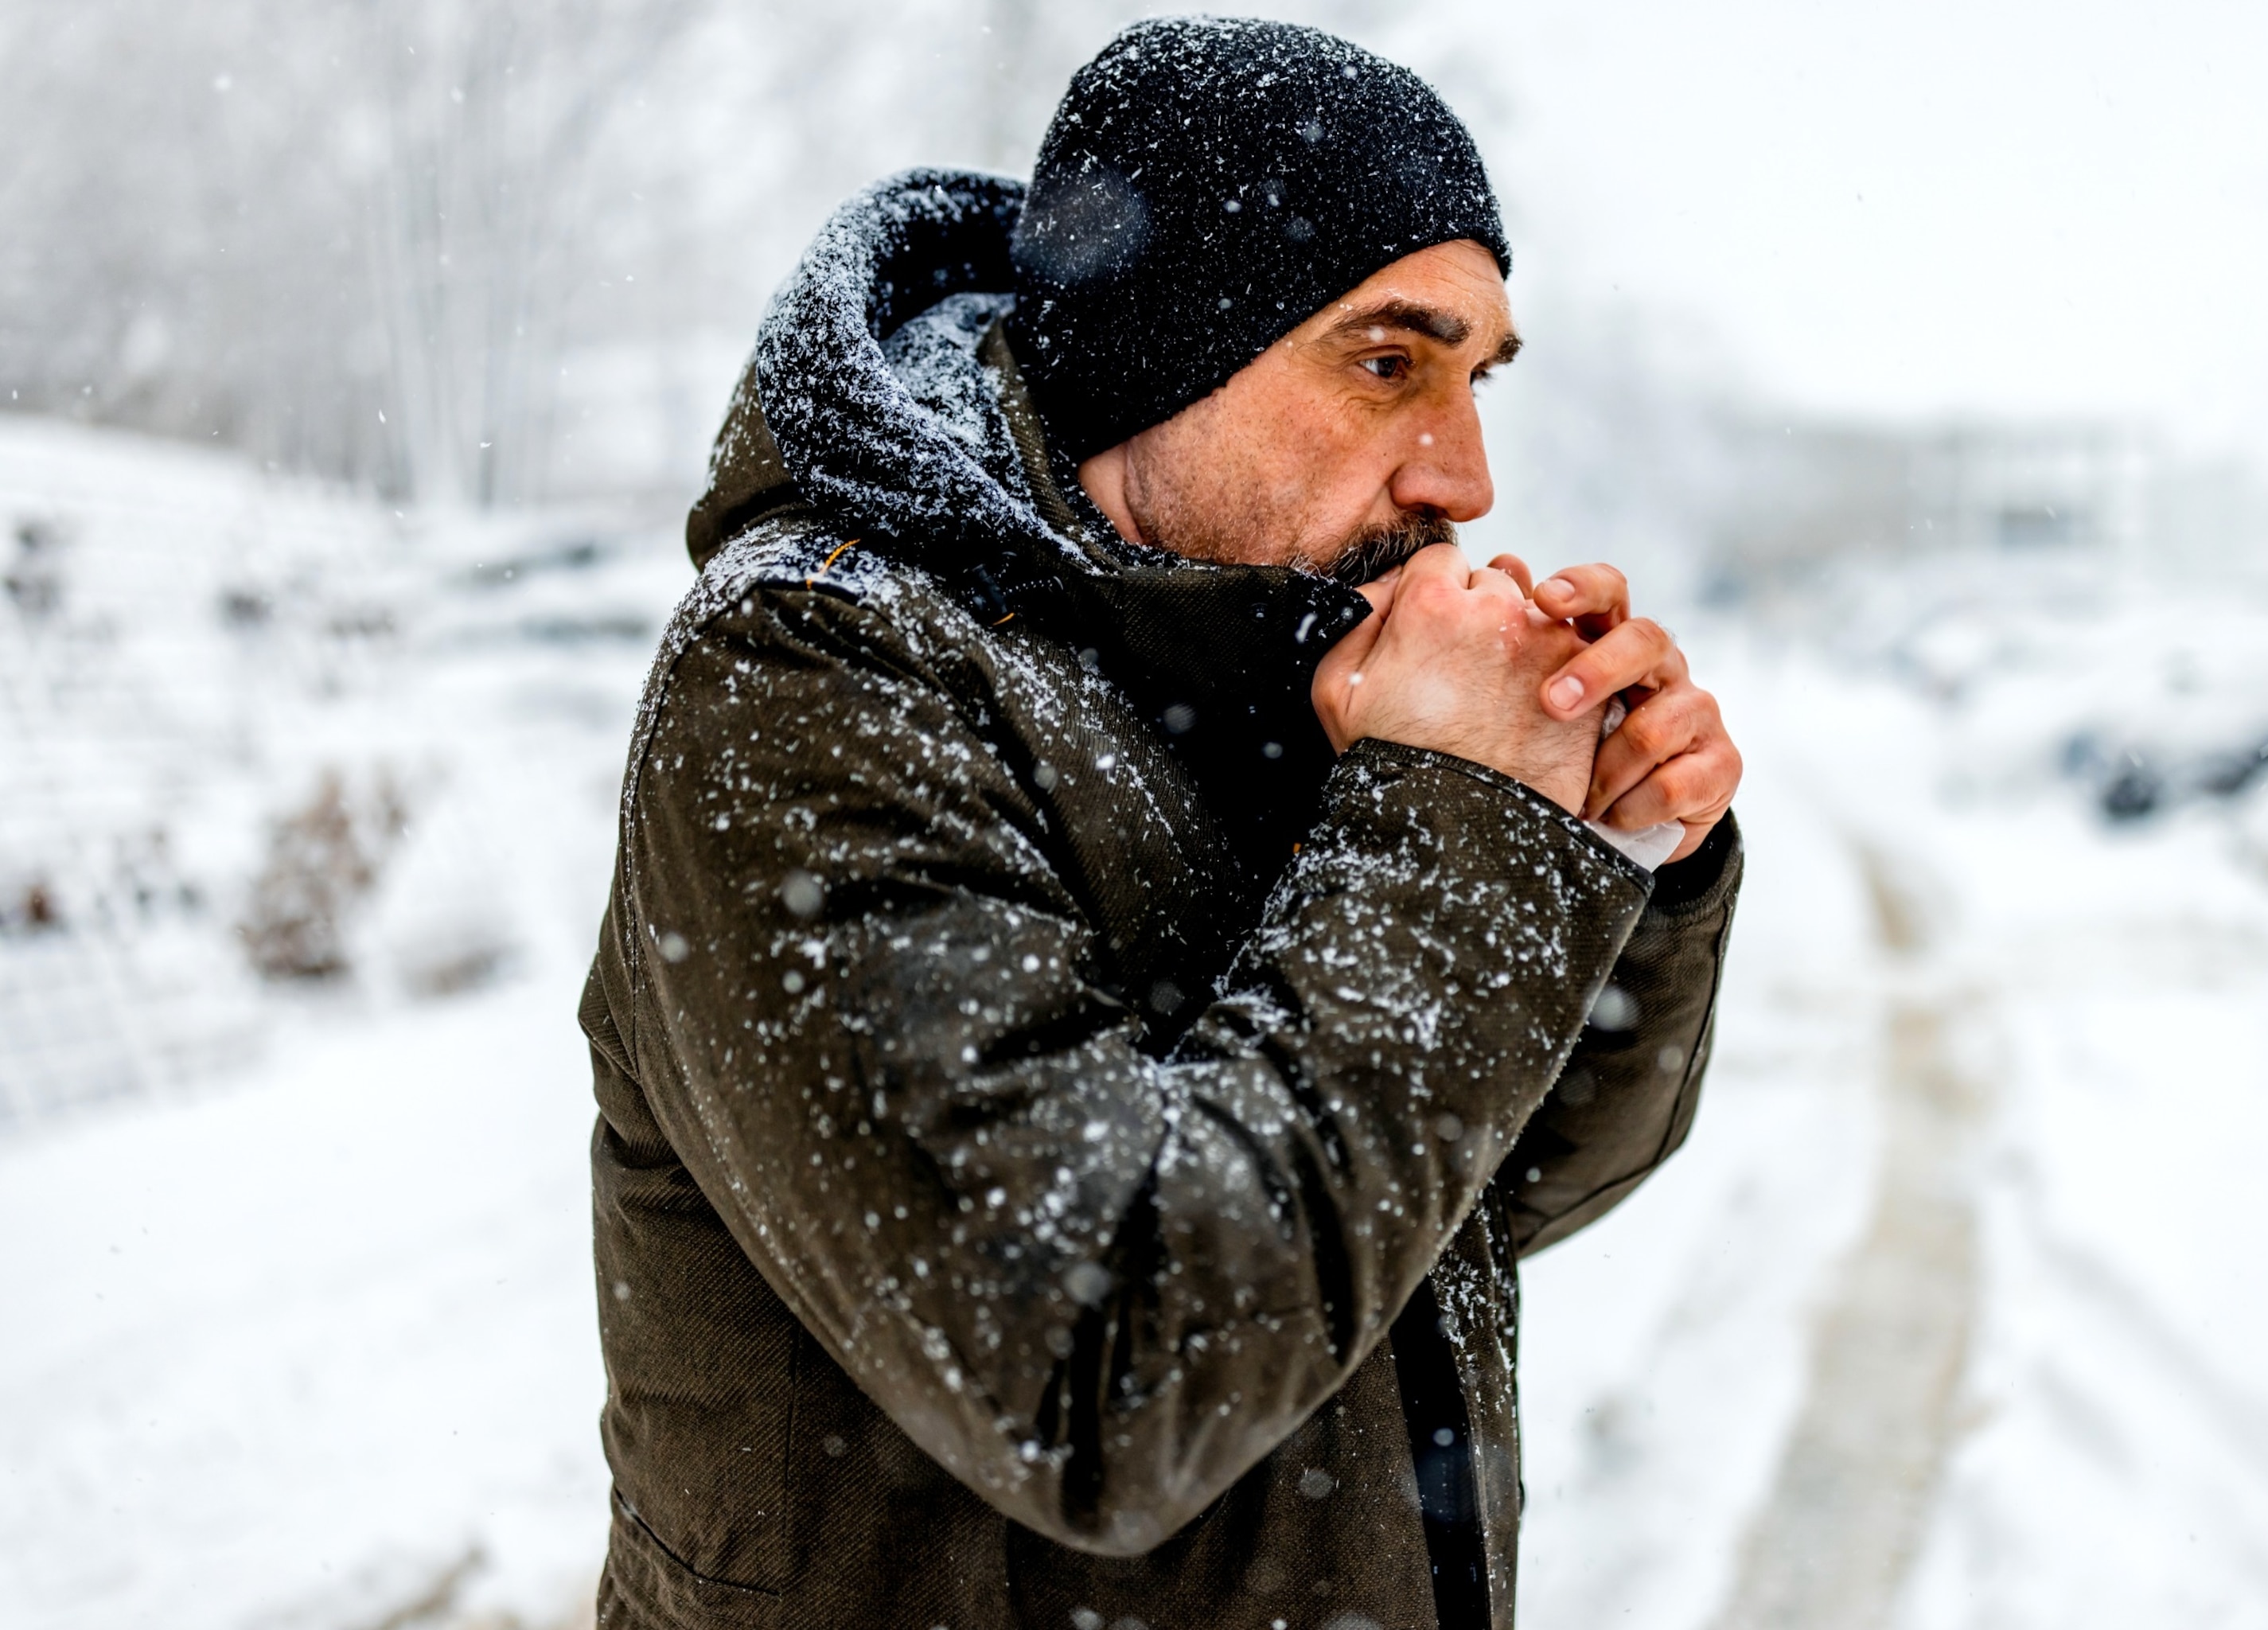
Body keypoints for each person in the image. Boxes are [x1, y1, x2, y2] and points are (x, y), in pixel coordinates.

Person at [580, 18, 1743, 1629]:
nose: (1467, 476)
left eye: (1476, 377)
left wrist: (1613, 855)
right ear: (1166, 350)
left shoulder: (1280, 656)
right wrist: (1454, 820)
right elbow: (1099, 1370)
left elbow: (1489, 1195)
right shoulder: (818, 672)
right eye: (1389, 361)